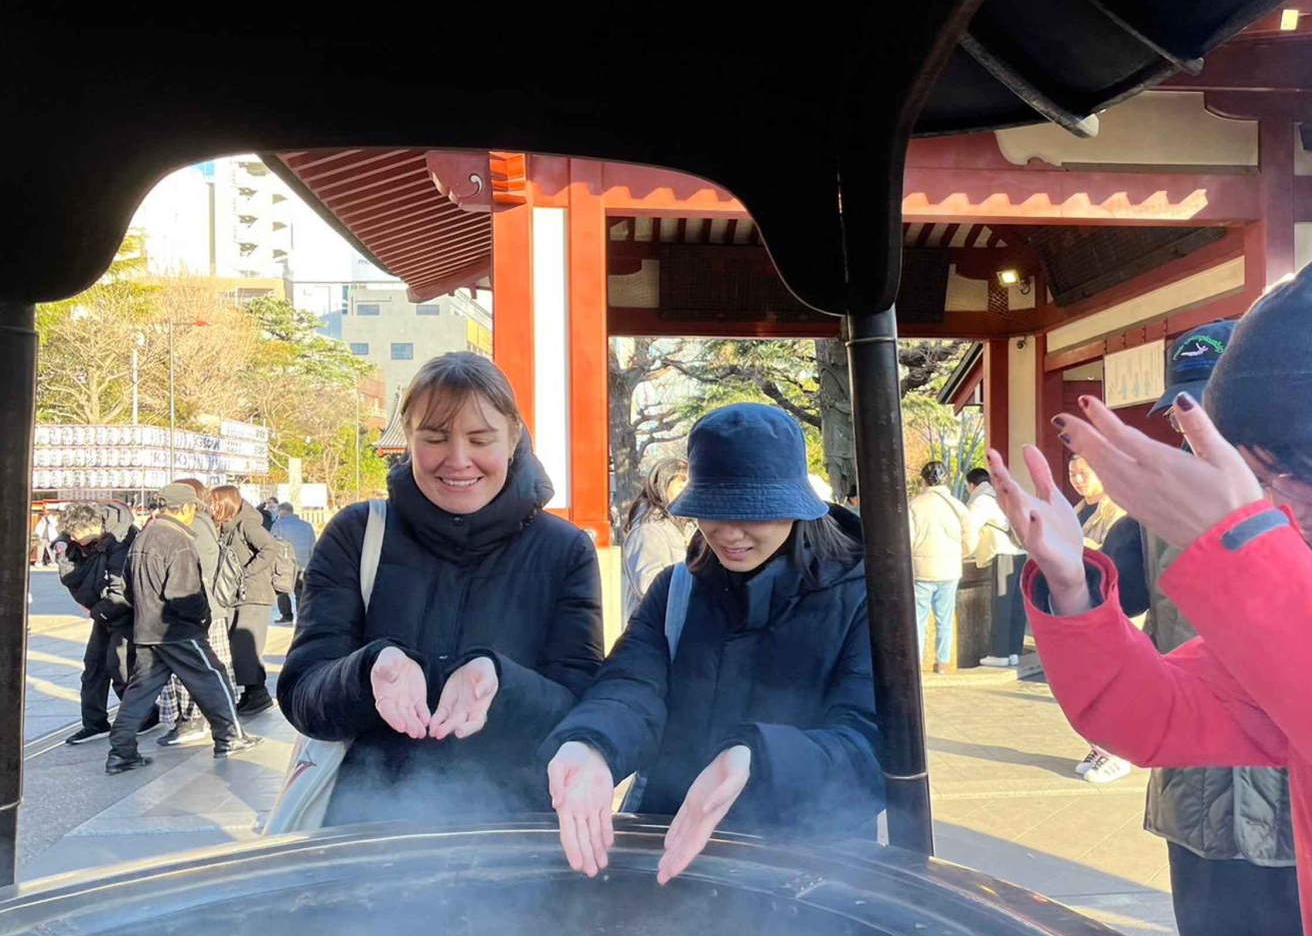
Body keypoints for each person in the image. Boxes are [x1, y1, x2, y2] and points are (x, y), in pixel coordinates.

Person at [988, 247, 1312, 936]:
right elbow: (1155, 714)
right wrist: (1072, 586)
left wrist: (1250, 548)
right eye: (1259, 477)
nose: (1288, 507)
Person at [544, 403, 883, 883]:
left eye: (752, 512)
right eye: (713, 510)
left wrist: (757, 759)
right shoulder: (678, 589)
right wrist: (591, 744)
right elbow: (630, 686)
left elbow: (867, 743)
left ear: (795, 505)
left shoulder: (861, 596)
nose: (728, 532)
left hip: (806, 873)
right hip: (674, 852)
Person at [277, 351, 605, 825]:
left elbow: (580, 709)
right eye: (434, 438)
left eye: (480, 439)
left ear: (514, 439)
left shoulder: (563, 550)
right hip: (367, 830)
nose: (458, 460)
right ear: (408, 440)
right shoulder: (358, 533)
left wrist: (502, 685)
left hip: (515, 835)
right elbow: (302, 692)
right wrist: (367, 671)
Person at [1132, 319, 1304, 936]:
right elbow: (1119, 597)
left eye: (1211, 407)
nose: (1196, 427)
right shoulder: (1159, 497)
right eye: (1183, 412)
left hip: (1294, 798)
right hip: (1194, 795)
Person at [106, 484, 261, 774]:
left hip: (146, 629)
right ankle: (230, 736)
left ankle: (120, 751)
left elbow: (126, 587)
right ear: (187, 508)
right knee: (213, 679)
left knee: (139, 692)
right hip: (178, 630)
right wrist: (200, 616)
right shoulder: (176, 540)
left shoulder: (143, 537)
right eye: (194, 509)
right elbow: (185, 594)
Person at [1064, 454, 1148, 783]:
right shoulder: (1080, 508)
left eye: (1083, 473)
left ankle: (1118, 753)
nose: (1077, 479)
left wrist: (1080, 546)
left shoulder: (1117, 510)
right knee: (1090, 684)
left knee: (1115, 683)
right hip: (1089, 606)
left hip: (1117, 608)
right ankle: (1100, 748)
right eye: (1072, 473)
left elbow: (1118, 556)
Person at [55, 501, 155, 744]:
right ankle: (94, 722)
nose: (75, 541)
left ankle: (146, 715)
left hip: (125, 612)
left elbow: (120, 592)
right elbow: (70, 568)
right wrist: (61, 545)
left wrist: (95, 611)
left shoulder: (120, 540)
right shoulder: (82, 539)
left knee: (119, 666)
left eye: (76, 535)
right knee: (93, 667)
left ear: (91, 525)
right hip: (102, 611)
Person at [156, 478, 238, 748]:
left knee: (198, 667)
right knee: (200, 666)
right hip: (199, 609)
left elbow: (190, 571)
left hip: (200, 610)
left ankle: (198, 720)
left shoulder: (196, 526)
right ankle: (201, 719)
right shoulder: (201, 523)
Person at [211, 485, 278, 716]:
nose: (213, 506)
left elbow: (270, 548)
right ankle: (252, 693)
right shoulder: (226, 526)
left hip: (254, 595)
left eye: (216, 502)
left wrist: (247, 572)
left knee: (246, 647)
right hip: (238, 595)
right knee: (240, 647)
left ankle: (257, 693)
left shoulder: (246, 524)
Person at [908, 461, 976, 673]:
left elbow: (907, 539)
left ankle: (917, 663)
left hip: (921, 570)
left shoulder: (914, 505)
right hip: (949, 568)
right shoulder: (957, 505)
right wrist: (959, 553)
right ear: (945, 478)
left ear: (924, 479)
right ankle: (944, 662)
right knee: (945, 618)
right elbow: (971, 537)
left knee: (918, 620)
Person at [966, 468, 1027, 669]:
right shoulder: (1000, 497)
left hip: (1002, 552)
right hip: (1020, 552)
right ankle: (1013, 652)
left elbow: (968, 529)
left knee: (1000, 603)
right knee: (1015, 603)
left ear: (971, 485)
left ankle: (998, 653)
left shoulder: (981, 500)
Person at [620, 458, 691, 620]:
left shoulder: (683, 523)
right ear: (663, 485)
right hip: (653, 628)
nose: (688, 490)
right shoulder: (649, 529)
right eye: (682, 483)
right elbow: (648, 585)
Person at [270, 501, 316, 625]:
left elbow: (271, 544)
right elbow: (313, 544)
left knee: (282, 589)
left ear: (282, 512)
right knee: (301, 590)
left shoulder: (278, 525)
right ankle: (302, 617)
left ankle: (286, 615)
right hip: (304, 563)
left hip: (285, 564)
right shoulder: (307, 526)